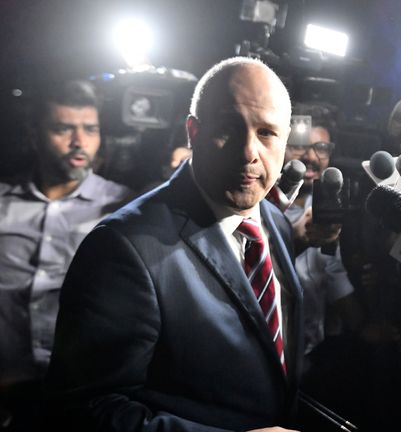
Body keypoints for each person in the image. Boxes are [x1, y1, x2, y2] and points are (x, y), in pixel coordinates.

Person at [45, 57, 303, 431]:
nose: (249, 151)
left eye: (266, 132)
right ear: (192, 132)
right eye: (229, 128)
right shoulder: (121, 248)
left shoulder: (274, 223)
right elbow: (84, 408)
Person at [0, 80, 133, 431]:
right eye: (63, 129)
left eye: (90, 129)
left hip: (81, 399)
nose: (79, 142)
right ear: (34, 135)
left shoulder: (123, 208)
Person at [283, 120, 363, 355]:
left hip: (311, 347)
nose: (311, 156)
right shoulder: (263, 205)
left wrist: (363, 329)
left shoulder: (325, 204)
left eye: (322, 148)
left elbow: (333, 273)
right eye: (299, 146)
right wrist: (297, 236)